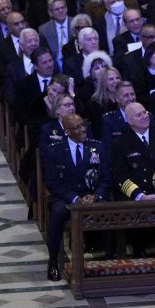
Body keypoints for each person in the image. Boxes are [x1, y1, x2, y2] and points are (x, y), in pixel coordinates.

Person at [43, 114, 108, 281]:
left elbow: (107, 178)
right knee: (57, 213)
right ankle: (53, 262)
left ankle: (110, 257)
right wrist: (74, 198)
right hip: (66, 197)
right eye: (77, 127)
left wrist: (96, 195)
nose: (82, 129)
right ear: (67, 131)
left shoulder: (98, 147)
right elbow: (52, 183)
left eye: (83, 125)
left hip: (93, 195)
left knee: (110, 207)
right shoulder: (54, 150)